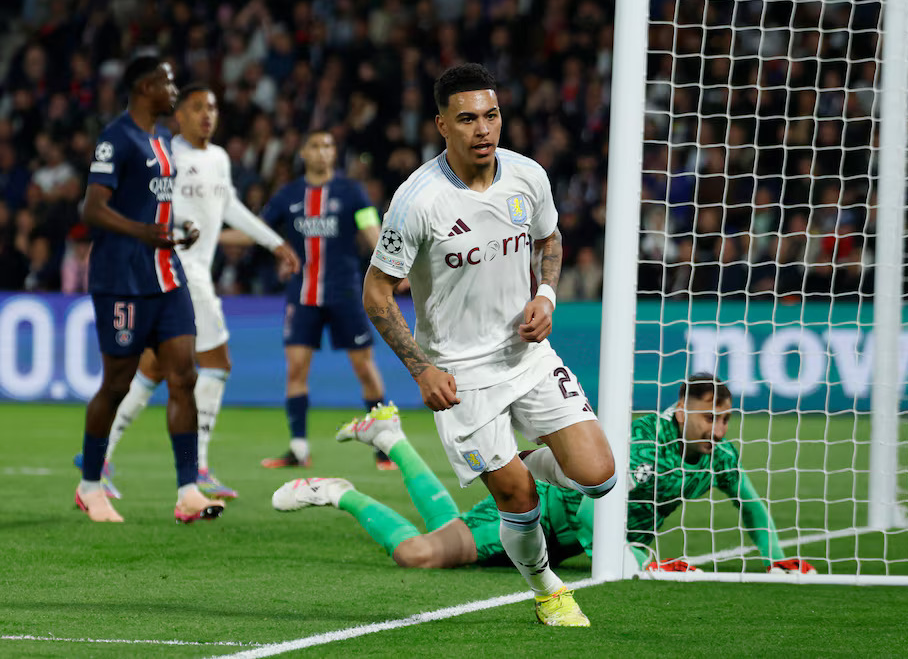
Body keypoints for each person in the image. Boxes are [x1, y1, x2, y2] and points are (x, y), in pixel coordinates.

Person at [361, 63, 616, 627]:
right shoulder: (417, 201)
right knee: (519, 502)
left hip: (525, 357)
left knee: (599, 476)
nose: (483, 129)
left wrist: (546, 296)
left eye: (492, 116)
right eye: (468, 119)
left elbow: (550, 238)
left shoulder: (527, 176)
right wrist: (421, 369)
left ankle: (513, 462)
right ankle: (548, 589)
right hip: (460, 376)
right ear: (442, 126)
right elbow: (377, 294)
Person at [272, 391, 815, 576]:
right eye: (708, 419)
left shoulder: (718, 455)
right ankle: (340, 491)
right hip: (540, 511)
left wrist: (776, 555)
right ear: (681, 413)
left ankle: (390, 438)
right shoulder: (645, 444)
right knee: (421, 553)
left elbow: (751, 504)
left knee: (446, 530)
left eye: (724, 420)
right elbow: (588, 510)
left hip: (568, 543)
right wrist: (635, 559)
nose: (717, 430)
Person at [74, 84, 301, 500]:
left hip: (188, 277)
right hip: (178, 273)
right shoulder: (166, 153)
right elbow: (146, 207)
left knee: (152, 371)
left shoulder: (217, 159)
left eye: (212, 106)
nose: (206, 114)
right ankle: (196, 468)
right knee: (216, 363)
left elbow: (229, 206)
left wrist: (274, 242)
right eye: (197, 107)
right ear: (179, 116)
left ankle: (101, 458)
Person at [74, 56, 223, 523]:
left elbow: (153, 206)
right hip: (122, 279)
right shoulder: (116, 139)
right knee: (117, 384)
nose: (173, 88)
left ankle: (187, 492)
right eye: (167, 81)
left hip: (166, 273)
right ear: (144, 87)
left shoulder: (162, 138)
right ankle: (91, 486)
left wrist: (179, 229)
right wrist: (142, 232)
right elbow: (92, 208)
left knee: (185, 377)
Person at [259, 130, 396, 471]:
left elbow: (370, 229)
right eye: (316, 146)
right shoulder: (288, 195)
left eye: (329, 146)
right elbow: (259, 230)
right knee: (296, 370)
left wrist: (393, 266)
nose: (323, 152)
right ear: (304, 152)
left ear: (335, 153)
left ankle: (384, 448)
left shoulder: (351, 192)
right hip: (302, 296)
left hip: (345, 293)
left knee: (365, 367)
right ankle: (298, 449)